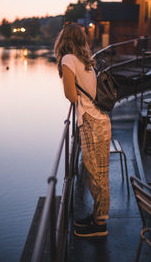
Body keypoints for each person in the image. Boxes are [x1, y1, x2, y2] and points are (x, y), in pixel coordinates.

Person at [54, 23, 111, 238]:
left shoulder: (68, 59)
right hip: (100, 120)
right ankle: (98, 216)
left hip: (91, 122)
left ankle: (100, 224)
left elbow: (71, 96)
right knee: (98, 173)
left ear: (64, 40)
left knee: (97, 175)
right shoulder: (86, 60)